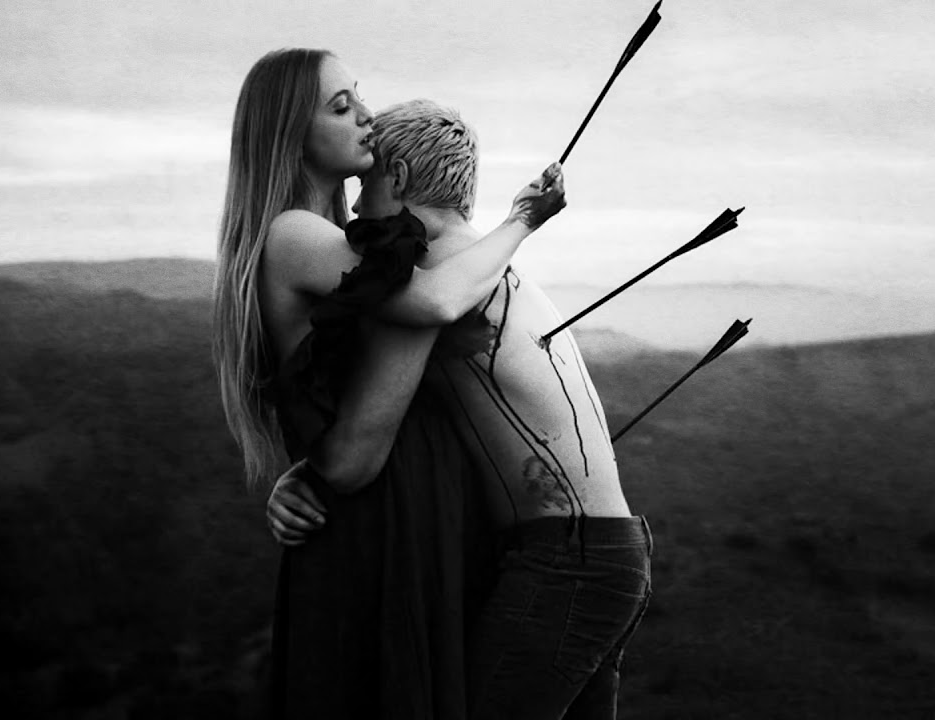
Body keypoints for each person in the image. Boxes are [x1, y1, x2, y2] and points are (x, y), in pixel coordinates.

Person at [212, 49, 567, 719]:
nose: (366, 117)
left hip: (402, 511)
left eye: (360, 97)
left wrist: (305, 470)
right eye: (341, 107)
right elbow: (433, 302)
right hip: (381, 525)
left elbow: (345, 393)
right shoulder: (293, 233)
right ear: (291, 134)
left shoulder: (336, 241)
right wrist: (522, 219)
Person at [270, 98, 651, 719]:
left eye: (365, 185)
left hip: (567, 559)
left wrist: (314, 469)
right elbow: (410, 408)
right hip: (609, 552)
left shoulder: (436, 269)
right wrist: (302, 472)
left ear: (397, 178)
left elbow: (371, 416)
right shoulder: (481, 262)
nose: (357, 209)